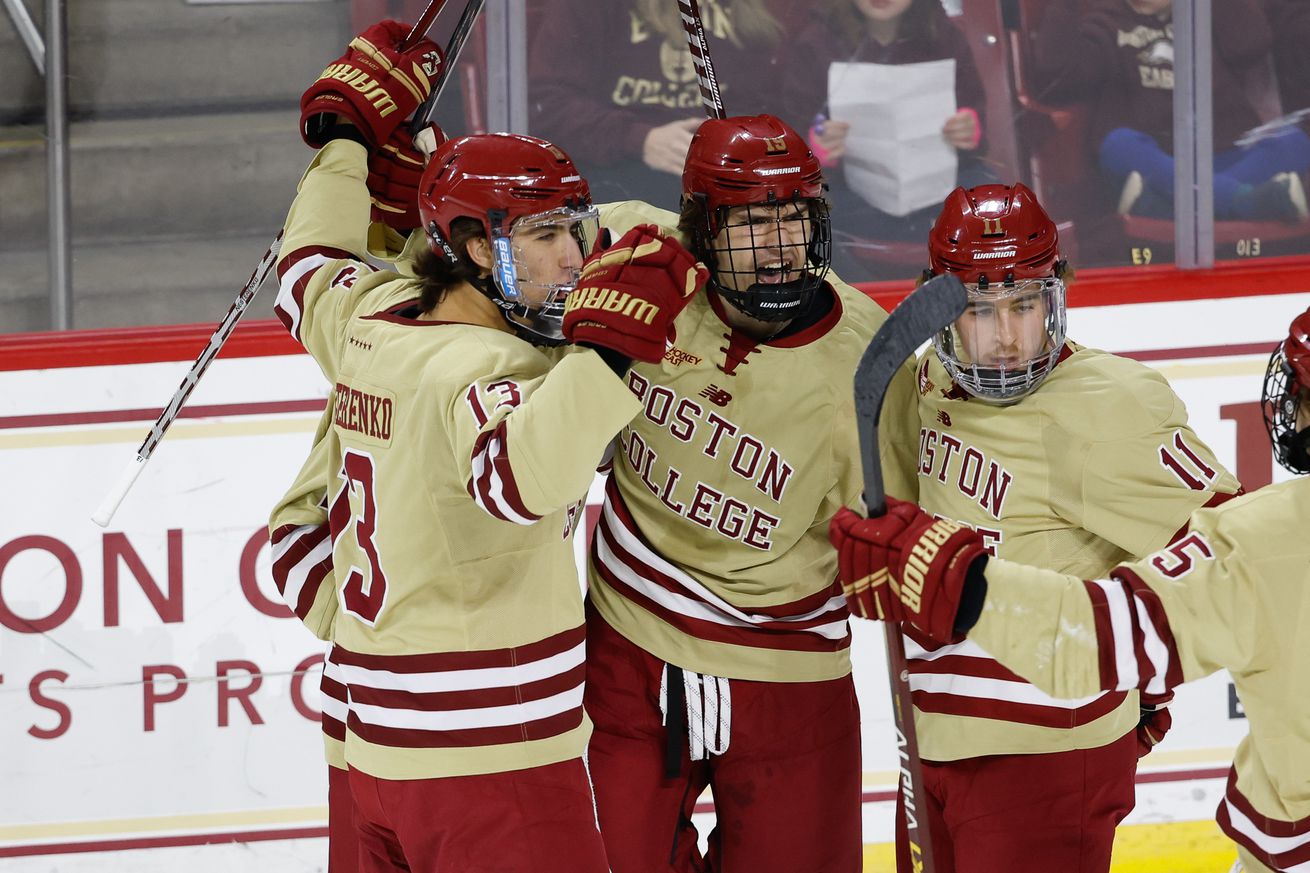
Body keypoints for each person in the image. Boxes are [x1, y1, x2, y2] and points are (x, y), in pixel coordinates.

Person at [270, 19, 705, 871]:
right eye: (546, 237)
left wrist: (347, 140)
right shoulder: (489, 368)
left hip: (368, 747)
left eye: (575, 229)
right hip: (490, 756)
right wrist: (606, 354)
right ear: (471, 248)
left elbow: (308, 262)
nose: (575, 256)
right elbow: (516, 481)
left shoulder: (368, 313)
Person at [837, 182, 1243, 873]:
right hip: (931, 739)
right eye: (978, 310)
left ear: (1055, 295)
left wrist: (1147, 662)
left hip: (1048, 753)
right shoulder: (928, 383)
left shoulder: (1110, 406)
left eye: (1024, 305)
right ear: (938, 311)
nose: (1004, 338)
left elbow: (1235, 556)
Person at [582, 113, 920, 872]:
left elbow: (906, 528)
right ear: (700, 229)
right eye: (751, 223)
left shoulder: (869, 363)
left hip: (788, 672)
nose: (779, 246)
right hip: (629, 645)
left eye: (793, 218)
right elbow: (508, 263)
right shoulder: (635, 254)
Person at [1032, 0, 1310, 223]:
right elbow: (1059, 76)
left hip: (1224, 157)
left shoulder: (1203, 12)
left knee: (1294, 142)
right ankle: (1245, 202)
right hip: (1159, 164)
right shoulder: (1108, 19)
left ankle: (1169, 208)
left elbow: (1253, 43)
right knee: (1119, 145)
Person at [527, 0, 807, 206]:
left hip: (726, 180)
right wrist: (642, 139)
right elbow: (546, 106)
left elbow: (773, 107)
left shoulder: (754, 14)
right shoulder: (591, 8)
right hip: (618, 175)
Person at [781, 0, 992, 273]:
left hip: (937, 186)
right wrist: (816, 147)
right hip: (851, 193)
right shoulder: (815, 42)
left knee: (990, 200)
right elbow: (792, 132)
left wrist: (969, 129)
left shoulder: (942, 35)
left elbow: (976, 116)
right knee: (815, 217)